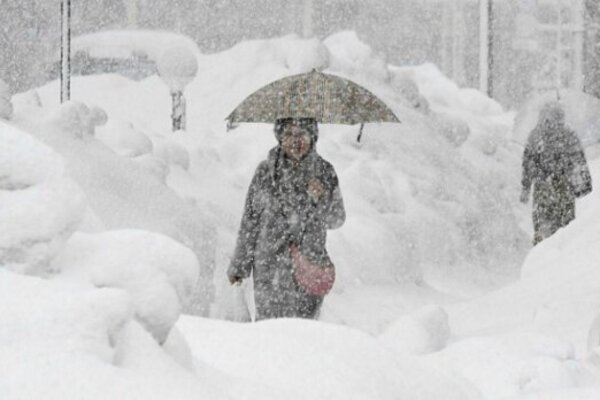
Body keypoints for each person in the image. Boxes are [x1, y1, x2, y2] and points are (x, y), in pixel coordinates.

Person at [227, 117, 346, 320]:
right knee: (269, 332)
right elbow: (250, 221)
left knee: (304, 335)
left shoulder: (325, 172)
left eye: (302, 134)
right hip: (269, 268)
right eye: (289, 134)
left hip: (308, 266)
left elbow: (337, 219)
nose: (295, 141)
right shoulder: (265, 172)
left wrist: (321, 200)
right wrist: (240, 265)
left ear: (313, 137)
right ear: (280, 137)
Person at [520, 101, 592, 245]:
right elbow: (578, 162)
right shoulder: (569, 134)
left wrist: (526, 187)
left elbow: (528, 164)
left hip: (542, 188)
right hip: (564, 187)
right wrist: (584, 185)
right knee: (566, 226)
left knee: (542, 225)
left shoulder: (536, 135)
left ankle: (541, 254)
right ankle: (562, 254)